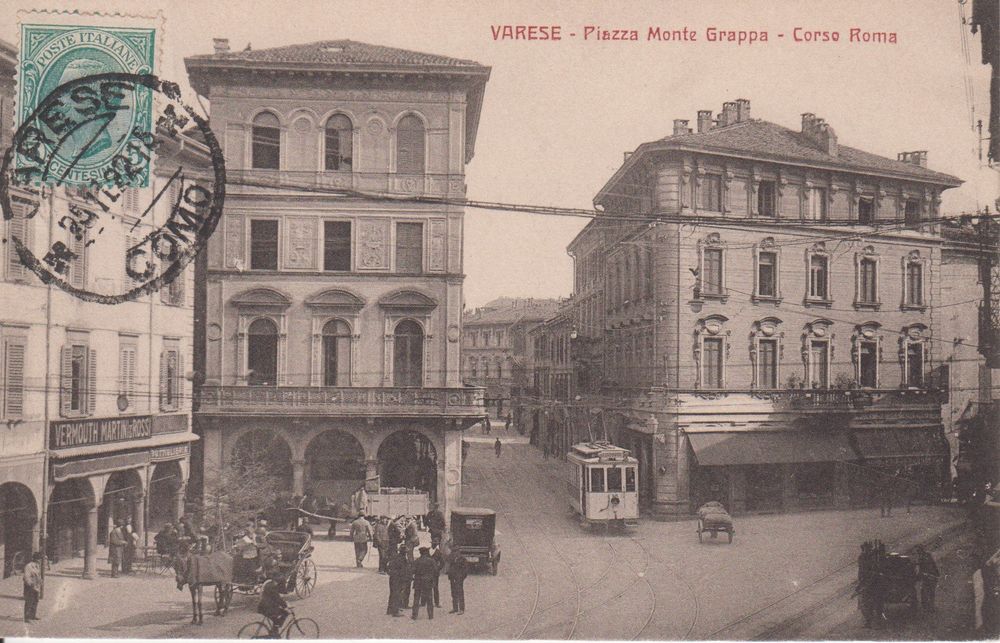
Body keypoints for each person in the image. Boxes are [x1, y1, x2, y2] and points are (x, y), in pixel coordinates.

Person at [411, 547, 437, 620]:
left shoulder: (417, 561)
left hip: (418, 581)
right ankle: (430, 615)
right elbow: (436, 570)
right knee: (429, 599)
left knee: (416, 599)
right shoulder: (431, 561)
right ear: (426, 552)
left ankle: (414, 615)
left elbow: (412, 571)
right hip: (428, 581)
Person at [914, 545, 939, 611]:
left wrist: (917, 577)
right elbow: (933, 564)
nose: (918, 553)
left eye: (918, 551)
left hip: (929, 576)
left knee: (927, 591)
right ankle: (929, 606)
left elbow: (921, 568)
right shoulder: (926, 556)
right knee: (929, 592)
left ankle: (928, 606)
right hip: (930, 576)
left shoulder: (922, 557)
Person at [447, 548, 468, 615]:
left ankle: (461, 609)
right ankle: (455, 608)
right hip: (452, 578)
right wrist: (450, 576)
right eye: (454, 551)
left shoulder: (463, 559)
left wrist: (461, 578)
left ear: (459, 552)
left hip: (459, 579)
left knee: (460, 593)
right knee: (453, 593)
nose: (455, 553)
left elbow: (465, 570)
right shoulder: (452, 559)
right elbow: (450, 568)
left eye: (456, 551)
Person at [23, 552, 42, 622]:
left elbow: (38, 575)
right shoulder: (29, 566)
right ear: (35, 559)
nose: (39, 561)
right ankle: (27, 617)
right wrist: (30, 584)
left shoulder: (37, 566)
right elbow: (26, 577)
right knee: (29, 601)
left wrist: (40, 582)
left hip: (36, 586)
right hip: (30, 587)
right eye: (38, 559)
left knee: (35, 601)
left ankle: (33, 615)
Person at [429, 542, 445, 608]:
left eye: (434, 544)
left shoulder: (438, 552)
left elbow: (442, 562)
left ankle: (436, 602)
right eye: (432, 543)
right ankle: (424, 602)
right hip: (428, 571)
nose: (433, 545)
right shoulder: (427, 551)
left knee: (435, 587)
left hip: (435, 572)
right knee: (426, 587)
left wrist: (438, 568)